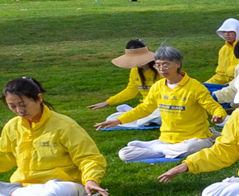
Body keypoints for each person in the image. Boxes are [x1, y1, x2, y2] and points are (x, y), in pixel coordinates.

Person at [0, 77, 107, 196]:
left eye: (23, 104)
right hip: (25, 187)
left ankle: (12, 193)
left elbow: (88, 157)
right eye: (12, 106)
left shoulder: (64, 126)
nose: (19, 110)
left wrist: (91, 179)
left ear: (39, 98)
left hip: (62, 186)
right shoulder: (12, 126)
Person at [95, 45, 226, 162]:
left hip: (194, 138)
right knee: (124, 154)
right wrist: (119, 120)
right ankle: (163, 149)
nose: (161, 68)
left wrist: (218, 115)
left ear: (178, 64)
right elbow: (144, 108)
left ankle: (157, 148)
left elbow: (214, 107)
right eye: (158, 65)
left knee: (192, 147)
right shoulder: (158, 87)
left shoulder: (195, 87)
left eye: (166, 64)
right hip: (167, 140)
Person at [88, 41, 162, 125]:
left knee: (146, 120)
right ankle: (136, 115)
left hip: (163, 106)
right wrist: (107, 102)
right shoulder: (135, 71)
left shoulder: (161, 69)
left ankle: (138, 116)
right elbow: (130, 91)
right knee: (112, 118)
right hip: (146, 107)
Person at [211, 19, 239, 88]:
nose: (227, 34)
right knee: (202, 89)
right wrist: (202, 85)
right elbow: (221, 75)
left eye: (230, 31)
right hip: (227, 86)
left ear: (237, 31)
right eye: (224, 31)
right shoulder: (224, 49)